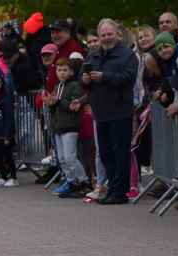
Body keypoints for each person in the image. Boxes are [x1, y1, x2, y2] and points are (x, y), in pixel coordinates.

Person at [81, 19, 138, 205]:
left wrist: (105, 77)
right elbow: (82, 82)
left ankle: (121, 191)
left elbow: (128, 78)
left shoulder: (127, 55)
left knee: (120, 152)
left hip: (120, 111)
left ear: (117, 34)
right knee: (105, 152)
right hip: (100, 112)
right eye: (103, 35)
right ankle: (113, 187)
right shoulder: (93, 56)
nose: (106, 38)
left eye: (109, 34)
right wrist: (86, 80)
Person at [50, 58, 90, 197]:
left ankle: (85, 182)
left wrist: (58, 102)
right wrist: (51, 104)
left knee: (70, 157)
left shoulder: (74, 86)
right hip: (59, 126)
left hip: (70, 126)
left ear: (71, 72)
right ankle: (71, 182)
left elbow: (73, 106)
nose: (62, 73)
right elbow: (55, 108)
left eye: (65, 70)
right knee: (61, 158)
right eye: (59, 70)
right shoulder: (57, 87)